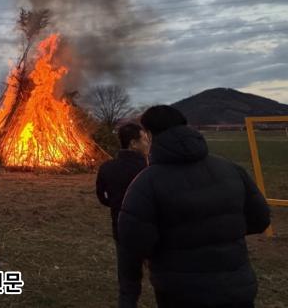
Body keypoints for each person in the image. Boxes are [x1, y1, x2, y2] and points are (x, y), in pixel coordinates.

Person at [118, 105, 271, 308]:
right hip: (236, 290)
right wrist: (224, 231)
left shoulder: (145, 183)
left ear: (150, 134)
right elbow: (261, 219)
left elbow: (133, 245)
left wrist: (128, 298)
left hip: (180, 294)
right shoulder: (231, 169)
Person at [95, 123, 149, 307]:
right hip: (152, 231)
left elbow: (102, 197)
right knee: (163, 278)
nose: (148, 143)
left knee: (128, 284)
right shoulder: (150, 168)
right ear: (133, 143)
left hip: (122, 230)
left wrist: (117, 205)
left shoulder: (107, 168)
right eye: (144, 140)